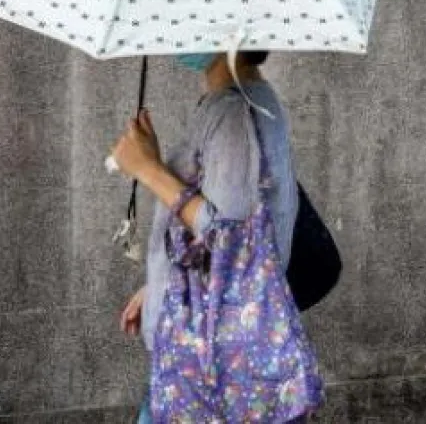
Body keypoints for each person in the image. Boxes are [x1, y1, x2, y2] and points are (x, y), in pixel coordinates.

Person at [109, 49, 305, 423]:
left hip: (206, 366)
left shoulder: (234, 114)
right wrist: (161, 283)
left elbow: (229, 242)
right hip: (202, 356)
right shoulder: (248, 102)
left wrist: (148, 170)